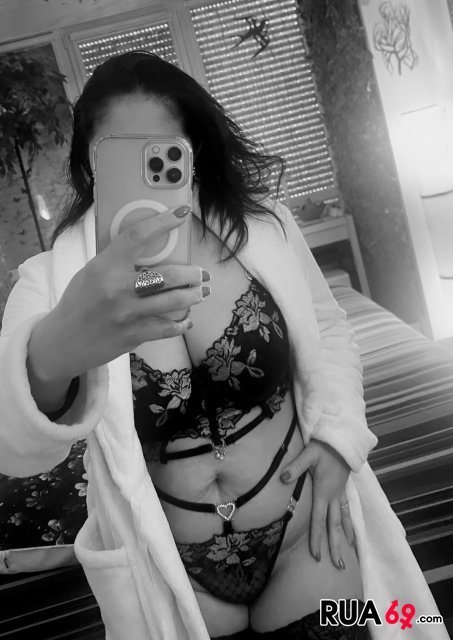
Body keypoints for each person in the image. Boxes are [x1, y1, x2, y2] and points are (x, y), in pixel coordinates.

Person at [0, 52, 448, 640]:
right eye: (117, 152)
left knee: (379, 623)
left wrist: (341, 440)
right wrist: (60, 341)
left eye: (162, 150)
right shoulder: (55, 281)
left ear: (193, 151)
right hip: (174, 573)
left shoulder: (266, 227)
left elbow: (331, 329)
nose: (144, 166)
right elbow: (11, 447)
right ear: (89, 160)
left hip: (307, 535)